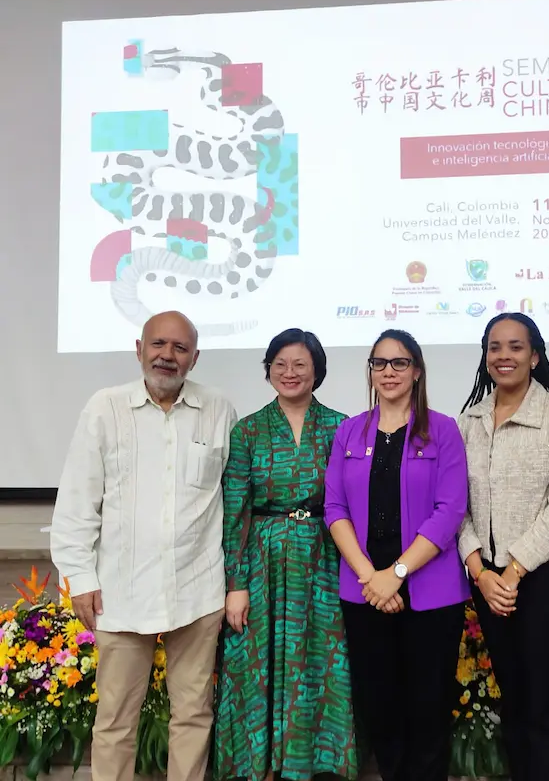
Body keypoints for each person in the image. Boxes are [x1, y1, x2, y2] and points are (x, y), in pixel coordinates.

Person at [50, 311, 237, 781]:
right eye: (158, 344)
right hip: (121, 591)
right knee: (114, 722)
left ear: (195, 358)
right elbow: (77, 501)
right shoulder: (104, 408)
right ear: (139, 348)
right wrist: (80, 579)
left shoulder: (219, 410)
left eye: (179, 348)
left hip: (197, 593)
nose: (166, 356)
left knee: (193, 716)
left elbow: (234, 503)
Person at [324, 329, 469, 781]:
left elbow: (450, 510)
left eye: (399, 363)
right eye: (379, 363)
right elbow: (334, 507)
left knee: (427, 711)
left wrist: (398, 572)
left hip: (430, 593)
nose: (389, 372)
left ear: (417, 371)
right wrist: (372, 576)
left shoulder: (442, 429)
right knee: (380, 708)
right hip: (366, 592)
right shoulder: (349, 430)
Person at [214, 328, 358, 781]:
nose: (290, 372)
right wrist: (236, 585)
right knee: (256, 664)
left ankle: (314, 762)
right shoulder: (248, 430)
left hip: (325, 558)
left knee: (321, 657)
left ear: (317, 371)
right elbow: (234, 512)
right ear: (268, 371)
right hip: (261, 561)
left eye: (300, 364)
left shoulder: (343, 426)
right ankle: (259, 764)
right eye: (280, 364)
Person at [458, 312, 549, 781]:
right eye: (495, 347)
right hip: (489, 578)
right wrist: (480, 570)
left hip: (547, 575)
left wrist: (513, 572)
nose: (504, 356)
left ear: (534, 356)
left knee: (542, 699)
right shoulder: (468, 420)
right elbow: (456, 504)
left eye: (515, 347)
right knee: (512, 694)